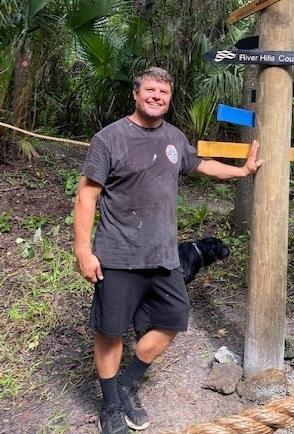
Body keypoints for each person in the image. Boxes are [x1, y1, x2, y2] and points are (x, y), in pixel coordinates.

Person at [73, 67, 263, 434]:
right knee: (111, 331)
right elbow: (86, 195)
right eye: (150, 89)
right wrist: (83, 250)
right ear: (136, 93)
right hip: (118, 254)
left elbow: (200, 164)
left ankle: (128, 383)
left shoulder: (174, 137)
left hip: (163, 256)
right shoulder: (110, 138)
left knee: (173, 319)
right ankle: (111, 405)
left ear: (169, 98)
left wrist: (243, 172)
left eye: (163, 91)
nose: (156, 96)